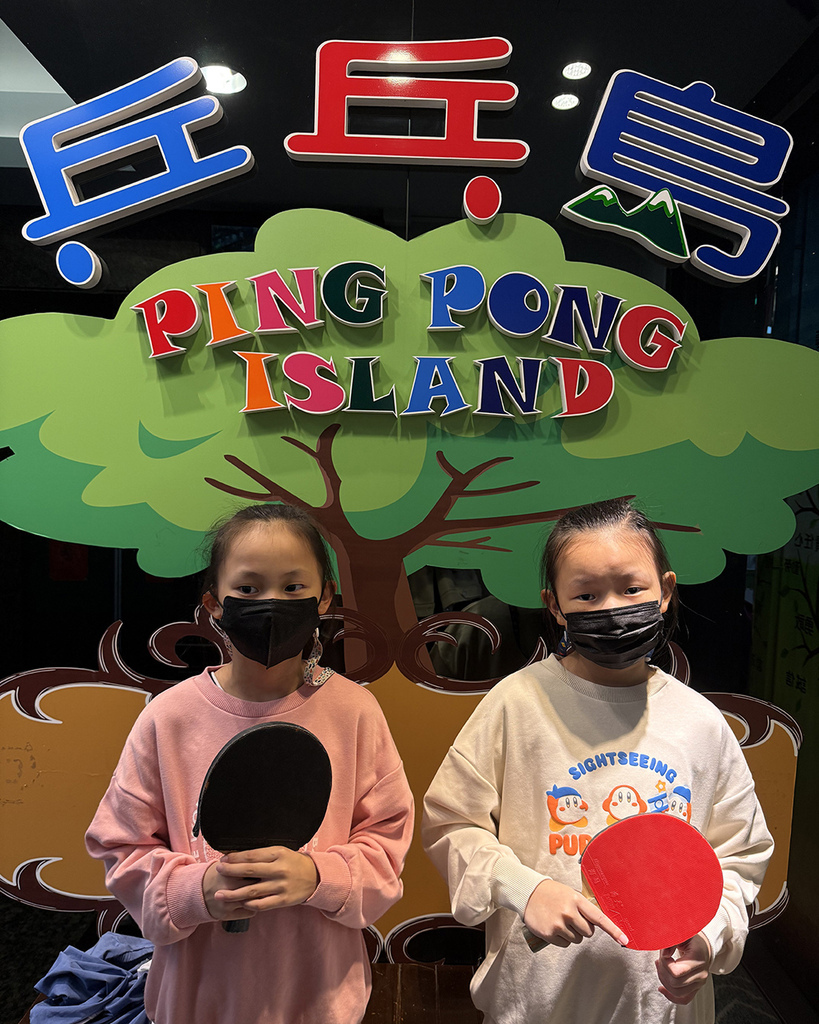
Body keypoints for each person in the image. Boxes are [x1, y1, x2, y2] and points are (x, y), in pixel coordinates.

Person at [422, 498, 773, 1024]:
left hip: (660, 1007)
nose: (611, 608)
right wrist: (525, 888)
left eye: (631, 589)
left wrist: (708, 936)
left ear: (665, 591)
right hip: (535, 1001)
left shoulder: (700, 723)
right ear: (554, 604)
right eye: (586, 594)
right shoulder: (515, 706)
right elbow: (450, 823)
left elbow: (740, 856)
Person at [86, 503, 414, 1024]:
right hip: (196, 1002)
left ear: (324, 597)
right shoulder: (168, 718)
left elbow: (387, 844)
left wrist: (318, 876)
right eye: (248, 588)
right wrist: (196, 891)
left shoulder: (355, 712)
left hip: (321, 1000)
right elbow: (119, 845)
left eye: (292, 586)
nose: (271, 603)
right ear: (214, 603)